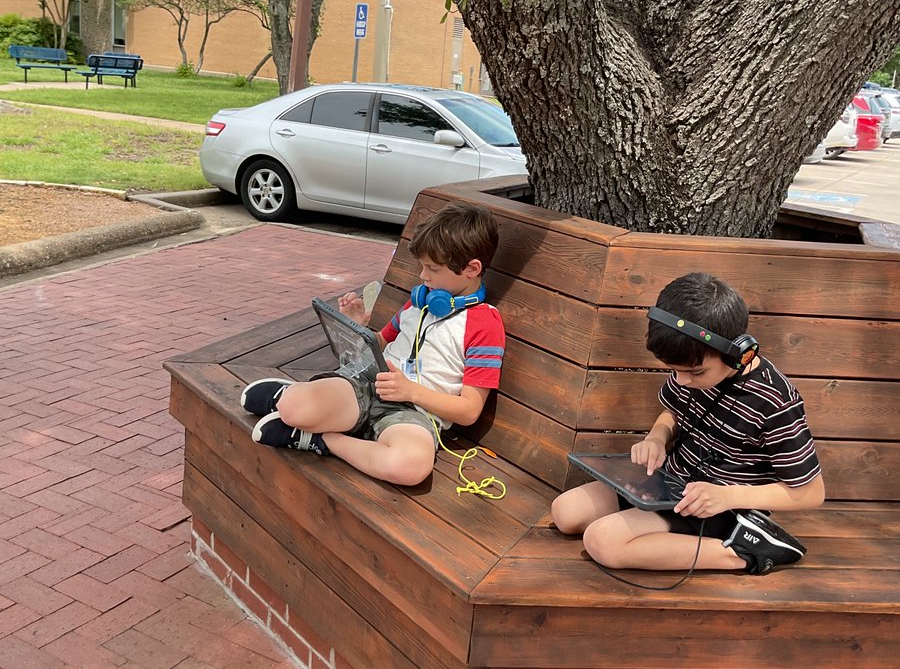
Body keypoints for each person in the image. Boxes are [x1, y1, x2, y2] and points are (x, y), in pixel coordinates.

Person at [551, 272, 825, 575]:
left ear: (738, 355)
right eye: (674, 370)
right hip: (670, 485)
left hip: (718, 507)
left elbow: (812, 492)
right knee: (565, 512)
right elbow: (672, 412)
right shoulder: (692, 367)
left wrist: (727, 497)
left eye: (695, 373)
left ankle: (748, 552)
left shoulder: (775, 402)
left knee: (602, 540)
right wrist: (657, 438)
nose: (682, 381)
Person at [240, 203, 505, 487]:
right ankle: (288, 396)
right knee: (294, 408)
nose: (423, 276)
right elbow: (379, 342)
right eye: (422, 266)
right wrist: (356, 326)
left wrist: (411, 391)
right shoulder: (420, 302)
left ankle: (323, 439)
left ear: (471, 268)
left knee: (410, 466)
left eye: (433, 268)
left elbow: (469, 411)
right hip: (369, 384)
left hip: (414, 413)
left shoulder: (484, 324)